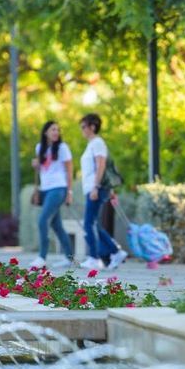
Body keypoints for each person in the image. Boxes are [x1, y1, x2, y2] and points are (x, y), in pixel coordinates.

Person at [79, 113, 128, 270]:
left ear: (92, 127)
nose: (82, 130)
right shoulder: (92, 144)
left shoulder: (97, 143)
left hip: (96, 188)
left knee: (88, 223)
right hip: (94, 188)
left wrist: (95, 187)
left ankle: (94, 257)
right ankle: (115, 252)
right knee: (93, 224)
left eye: (84, 127)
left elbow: (101, 165)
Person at [29, 121, 75, 269]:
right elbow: (43, 169)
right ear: (45, 132)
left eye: (57, 130)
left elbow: (69, 170)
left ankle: (42, 257)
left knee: (42, 220)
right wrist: (36, 164)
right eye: (53, 129)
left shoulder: (62, 148)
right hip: (46, 189)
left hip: (59, 188)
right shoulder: (39, 148)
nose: (56, 132)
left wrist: (69, 192)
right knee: (57, 226)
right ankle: (70, 258)